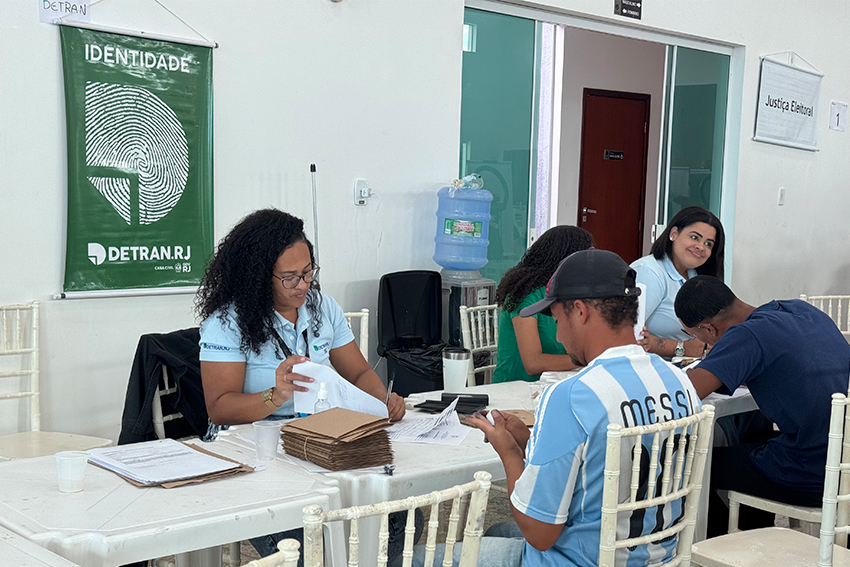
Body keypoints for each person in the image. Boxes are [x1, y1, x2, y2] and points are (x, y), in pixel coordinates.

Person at [400, 250, 700, 567]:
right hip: (654, 557)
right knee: (499, 531)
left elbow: (539, 533)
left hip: (580, 560)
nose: (557, 335)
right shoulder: (680, 381)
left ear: (580, 312)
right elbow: (599, 464)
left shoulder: (573, 395)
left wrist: (509, 452)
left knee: (410, 559)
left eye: (557, 320)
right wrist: (529, 442)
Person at [195, 208, 408, 559]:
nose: (304, 285)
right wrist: (275, 395)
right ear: (258, 277)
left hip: (319, 437)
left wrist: (381, 400)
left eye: (308, 272)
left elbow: (357, 373)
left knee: (395, 517)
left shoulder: (323, 308)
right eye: (290, 278)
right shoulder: (227, 323)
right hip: (256, 445)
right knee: (307, 542)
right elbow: (220, 407)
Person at [675, 275, 850, 536]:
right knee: (753, 438)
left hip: (814, 472)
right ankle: (755, 532)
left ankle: (719, 544)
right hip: (843, 456)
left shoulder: (746, 335)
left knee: (695, 463)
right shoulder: (800, 310)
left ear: (709, 328)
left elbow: (687, 391)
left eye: (693, 335)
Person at [491, 226, 593, 383]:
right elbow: (533, 363)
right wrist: (588, 358)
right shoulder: (525, 295)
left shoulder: (569, 294)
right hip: (516, 387)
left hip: (556, 382)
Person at [631, 206, 725, 358]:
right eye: (694, 237)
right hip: (652, 366)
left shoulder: (696, 278)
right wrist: (681, 348)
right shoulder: (649, 272)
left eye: (708, 244)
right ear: (674, 233)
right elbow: (626, 336)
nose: (700, 247)